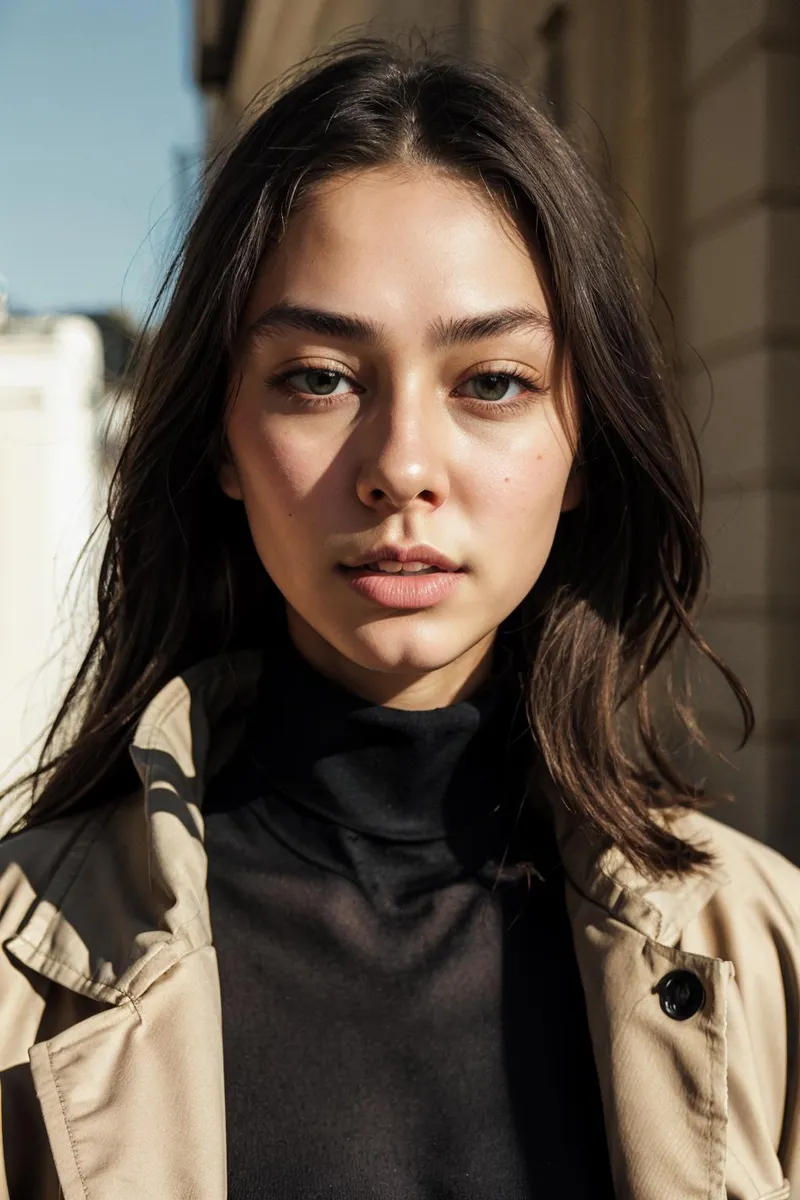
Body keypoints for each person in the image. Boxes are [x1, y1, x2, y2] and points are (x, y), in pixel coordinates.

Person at [0, 35, 797, 1200]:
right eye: (319, 377)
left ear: (583, 447)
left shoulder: (766, 952)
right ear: (221, 437)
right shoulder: (22, 978)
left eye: (491, 382)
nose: (401, 467)